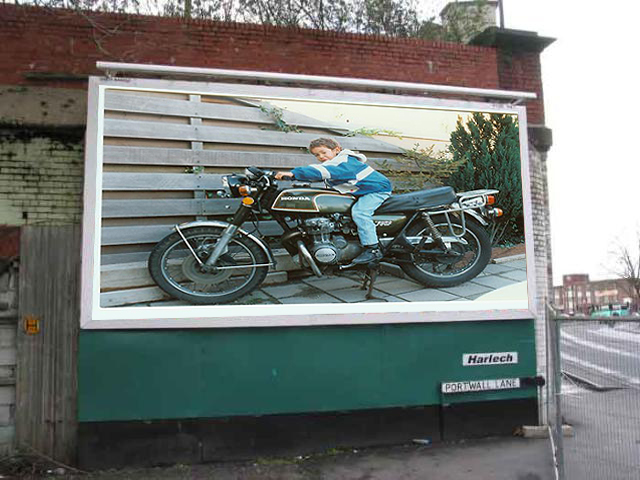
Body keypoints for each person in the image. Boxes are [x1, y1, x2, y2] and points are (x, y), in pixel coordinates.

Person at [275, 137, 392, 264]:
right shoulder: (334, 164)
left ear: (336, 150)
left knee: (360, 213)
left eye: (323, 152)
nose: (321, 156)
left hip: (376, 190)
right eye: (317, 155)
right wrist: (291, 177)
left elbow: (321, 171)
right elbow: (317, 175)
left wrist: (294, 173)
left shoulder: (344, 161)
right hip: (361, 191)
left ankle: (373, 249)